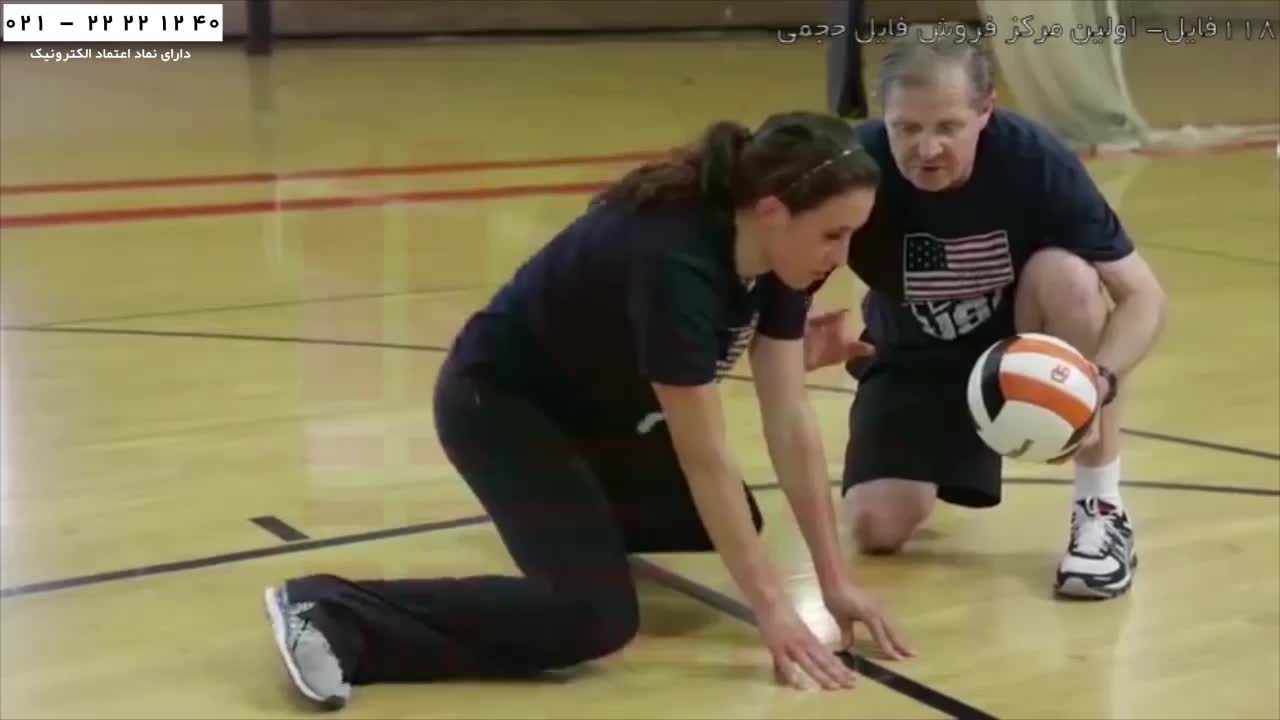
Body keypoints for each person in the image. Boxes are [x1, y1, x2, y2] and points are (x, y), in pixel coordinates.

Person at [262, 111, 914, 710]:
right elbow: (705, 456)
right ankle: (331, 610)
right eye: (834, 234)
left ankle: (571, 529)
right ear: (772, 211)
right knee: (591, 619)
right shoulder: (674, 263)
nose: (841, 256)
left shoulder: (783, 259)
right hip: (499, 406)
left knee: (719, 518)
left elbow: (789, 418)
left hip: (598, 423)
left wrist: (834, 582)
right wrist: (772, 609)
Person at [804, 36, 1167, 599]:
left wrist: (1099, 380)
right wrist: (795, 327)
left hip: (1017, 357)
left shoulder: (1034, 160)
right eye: (907, 127)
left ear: (985, 110)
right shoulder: (857, 165)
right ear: (883, 115)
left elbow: (1143, 296)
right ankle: (934, 460)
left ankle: (1101, 511)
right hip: (908, 358)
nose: (926, 149)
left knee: (1070, 277)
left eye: (948, 127)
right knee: (876, 528)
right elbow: (785, 261)